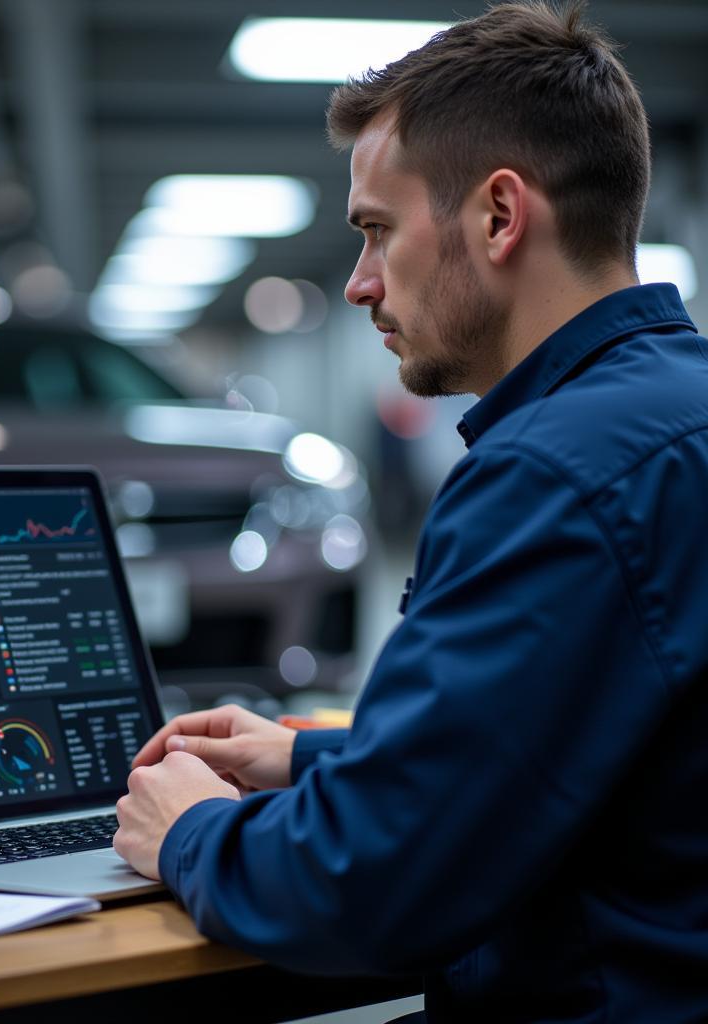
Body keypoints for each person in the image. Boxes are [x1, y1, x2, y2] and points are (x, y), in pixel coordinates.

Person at [113, 2, 708, 1020]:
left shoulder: (553, 475)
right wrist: (309, 755)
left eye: (378, 232)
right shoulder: (675, 417)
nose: (358, 284)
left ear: (497, 215)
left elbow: (366, 884)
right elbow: (596, 746)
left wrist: (190, 829)